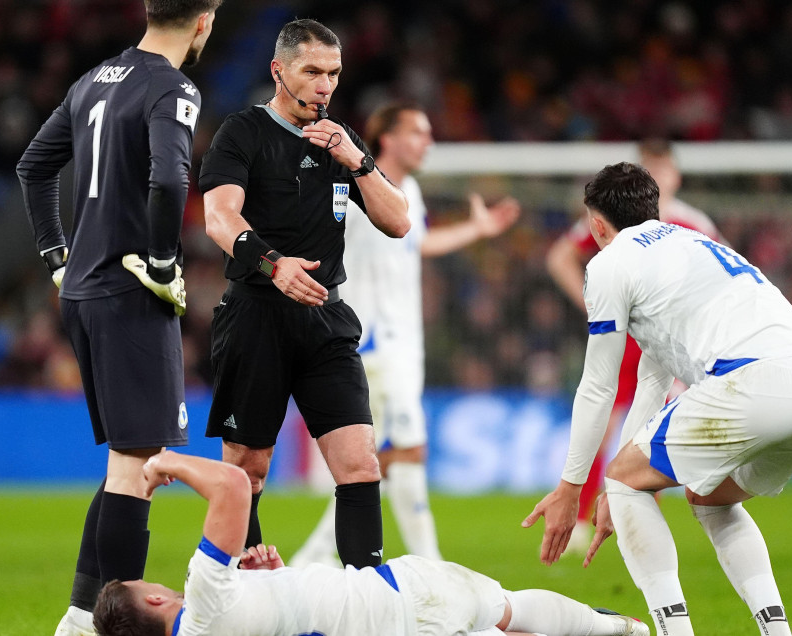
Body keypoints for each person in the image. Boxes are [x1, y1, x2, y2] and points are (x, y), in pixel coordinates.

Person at [524, 162, 792, 636]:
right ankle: (778, 631)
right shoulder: (694, 242)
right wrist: (626, 479)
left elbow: (598, 385)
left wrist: (573, 487)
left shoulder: (609, 264)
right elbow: (654, 380)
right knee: (708, 496)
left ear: (596, 224)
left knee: (628, 481)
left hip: (754, 384)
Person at [15, 1, 222, 633]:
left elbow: (33, 167)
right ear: (203, 22)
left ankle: (80, 620)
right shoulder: (173, 87)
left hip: (83, 289)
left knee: (125, 465)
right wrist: (162, 263)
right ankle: (111, 628)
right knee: (138, 466)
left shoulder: (93, 79)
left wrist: (58, 254)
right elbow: (169, 178)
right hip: (128, 292)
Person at [197, 19, 410, 569]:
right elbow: (219, 218)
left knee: (361, 463)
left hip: (325, 320)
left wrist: (358, 161)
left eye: (333, 74)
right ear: (279, 70)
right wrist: (273, 265)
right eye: (311, 71)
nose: (324, 85)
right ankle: (244, 591)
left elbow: (399, 221)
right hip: (255, 314)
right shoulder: (242, 132)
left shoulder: (342, 141)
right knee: (249, 466)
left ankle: (369, 598)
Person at [292, 102, 520, 566]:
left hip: (403, 344)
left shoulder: (408, 190)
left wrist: (474, 230)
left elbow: (417, 243)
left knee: (376, 462)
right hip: (371, 341)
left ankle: (312, 559)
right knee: (406, 450)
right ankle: (433, 566)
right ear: (387, 138)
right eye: (418, 132)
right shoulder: (352, 187)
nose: (428, 142)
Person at [91, 450, 649, 636]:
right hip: (401, 591)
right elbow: (233, 485)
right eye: (152, 585)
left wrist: (276, 585)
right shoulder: (204, 598)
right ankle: (621, 628)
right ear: (158, 601)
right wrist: (168, 463)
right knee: (510, 606)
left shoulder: (221, 615)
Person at [544, 140, 721, 551]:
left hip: (673, 342)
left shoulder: (695, 223)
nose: (660, 175)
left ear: (676, 176)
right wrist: (593, 306)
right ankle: (587, 516)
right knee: (606, 424)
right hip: (626, 339)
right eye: (652, 168)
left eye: (665, 168)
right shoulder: (618, 222)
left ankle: (635, 521)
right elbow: (560, 257)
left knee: (654, 430)